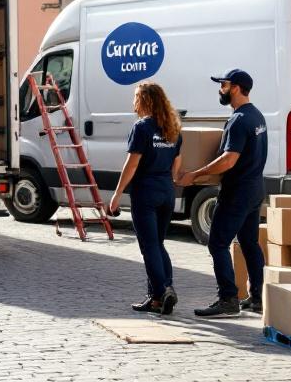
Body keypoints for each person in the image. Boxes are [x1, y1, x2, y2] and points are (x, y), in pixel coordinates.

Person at [177, 69, 268, 318]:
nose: (220, 89)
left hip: (237, 191)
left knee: (217, 243)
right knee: (249, 242)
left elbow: (228, 160)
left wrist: (194, 174)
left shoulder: (239, 120)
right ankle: (258, 298)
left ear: (236, 88)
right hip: (255, 189)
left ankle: (228, 299)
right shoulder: (257, 116)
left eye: (224, 85)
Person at [108, 82, 184, 315]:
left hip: (146, 192)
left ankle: (162, 291)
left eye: (136, 98)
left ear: (145, 101)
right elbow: (176, 166)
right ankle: (158, 297)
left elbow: (132, 164)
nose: (133, 103)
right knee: (158, 244)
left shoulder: (141, 127)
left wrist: (117, 194)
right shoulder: (173, 128)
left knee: (149, 246)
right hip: (166, 192)